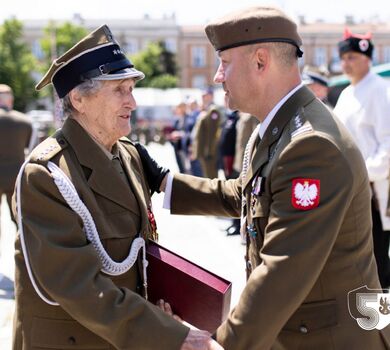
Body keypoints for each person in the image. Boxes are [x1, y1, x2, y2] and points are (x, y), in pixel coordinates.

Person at [137, 6, 390, 349]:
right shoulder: (276, 128)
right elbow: (246, 194)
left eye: (224, 63)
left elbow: (283, 270)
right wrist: (165, 183)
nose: (217, 76)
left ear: (260, 61)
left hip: (332, 337)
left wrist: (219, 344)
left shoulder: (311, 144)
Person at [12, 25, 221, 350]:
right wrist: (169, 335)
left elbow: (135, 255)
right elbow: (78, 286)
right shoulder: (45, 174)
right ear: (79, 99)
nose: (133, 102)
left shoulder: (127, 154)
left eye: (132, 89)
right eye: (120, 90)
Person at [334, 29, 390, 289]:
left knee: (376, 266)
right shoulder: (346, 94)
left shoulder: (380, 91)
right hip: (351, 190)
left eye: (352, 57)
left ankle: (379, 327)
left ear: (368, 57)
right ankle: (365, 326)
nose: (346, 63)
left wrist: (361, 174)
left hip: (374, 193)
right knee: (356, 265)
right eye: (343, 57)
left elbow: (387, 146)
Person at [0, 84, 32, 226]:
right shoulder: (25, 121)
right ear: (10, 100)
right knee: (18, 217)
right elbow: (31, 150)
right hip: (16, 176)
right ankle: (21, 247)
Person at [191, 88, 222, 178]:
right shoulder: (205, 109)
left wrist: (209, 151)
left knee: (211, 177)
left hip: (208, 152)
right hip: (204, 150)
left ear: (211, 96)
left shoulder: (213, 110)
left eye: (205, 95)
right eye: (202, 96)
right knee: (206, 176)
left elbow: (212, 133)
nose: (203, 97)